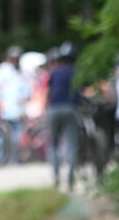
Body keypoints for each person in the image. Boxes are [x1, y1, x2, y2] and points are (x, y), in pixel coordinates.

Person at [45, 43, 79, 192]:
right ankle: (71, 177)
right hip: (70, 109)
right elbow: (78, 92)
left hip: (54, 109)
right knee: (71, 144)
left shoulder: (54, 72)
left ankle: (56, 176)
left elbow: (49, 92)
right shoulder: (75, 72)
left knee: (53, 144)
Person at [0, 45, 31, 164]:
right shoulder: (3, 70)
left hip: (18, 111)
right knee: (4, 137)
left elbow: (26, 91)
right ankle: (2, 159)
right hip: (6, 110)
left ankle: (16, 159)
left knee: (18, 137)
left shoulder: (22, 72)